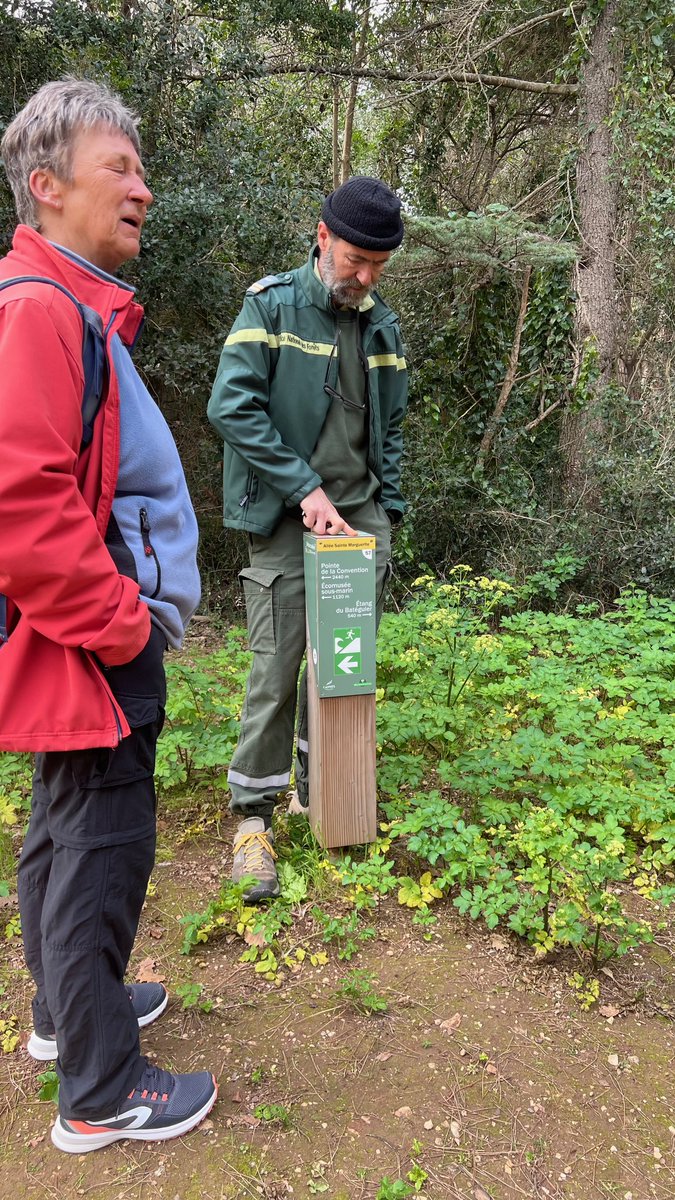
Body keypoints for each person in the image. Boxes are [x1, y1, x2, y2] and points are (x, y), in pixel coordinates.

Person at [0, 78, 217, 1152]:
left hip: (80, 636)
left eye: (142, 168)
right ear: (47, 186)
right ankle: (101, 1091)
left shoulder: (68, 305)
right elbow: (22, 502)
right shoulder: (40, 309)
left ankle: (66, 1012)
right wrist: (124, 624)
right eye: (118, 168)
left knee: (64, 823)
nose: (143, 187)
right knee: (104, 841)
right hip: (96, 639)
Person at [208, 176, 407, 902]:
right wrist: (304, 488)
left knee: (342, 667)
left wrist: (387, 508)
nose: (366, 277)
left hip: (359, 522)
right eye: (356, 260)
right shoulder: (271, 307)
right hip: (288, 519)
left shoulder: (380, 326)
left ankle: (322, 792)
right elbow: (231, 406)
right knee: (277, 664)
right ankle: (252, 819)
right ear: (322, 237)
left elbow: (392, 426)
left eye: (378, 265)